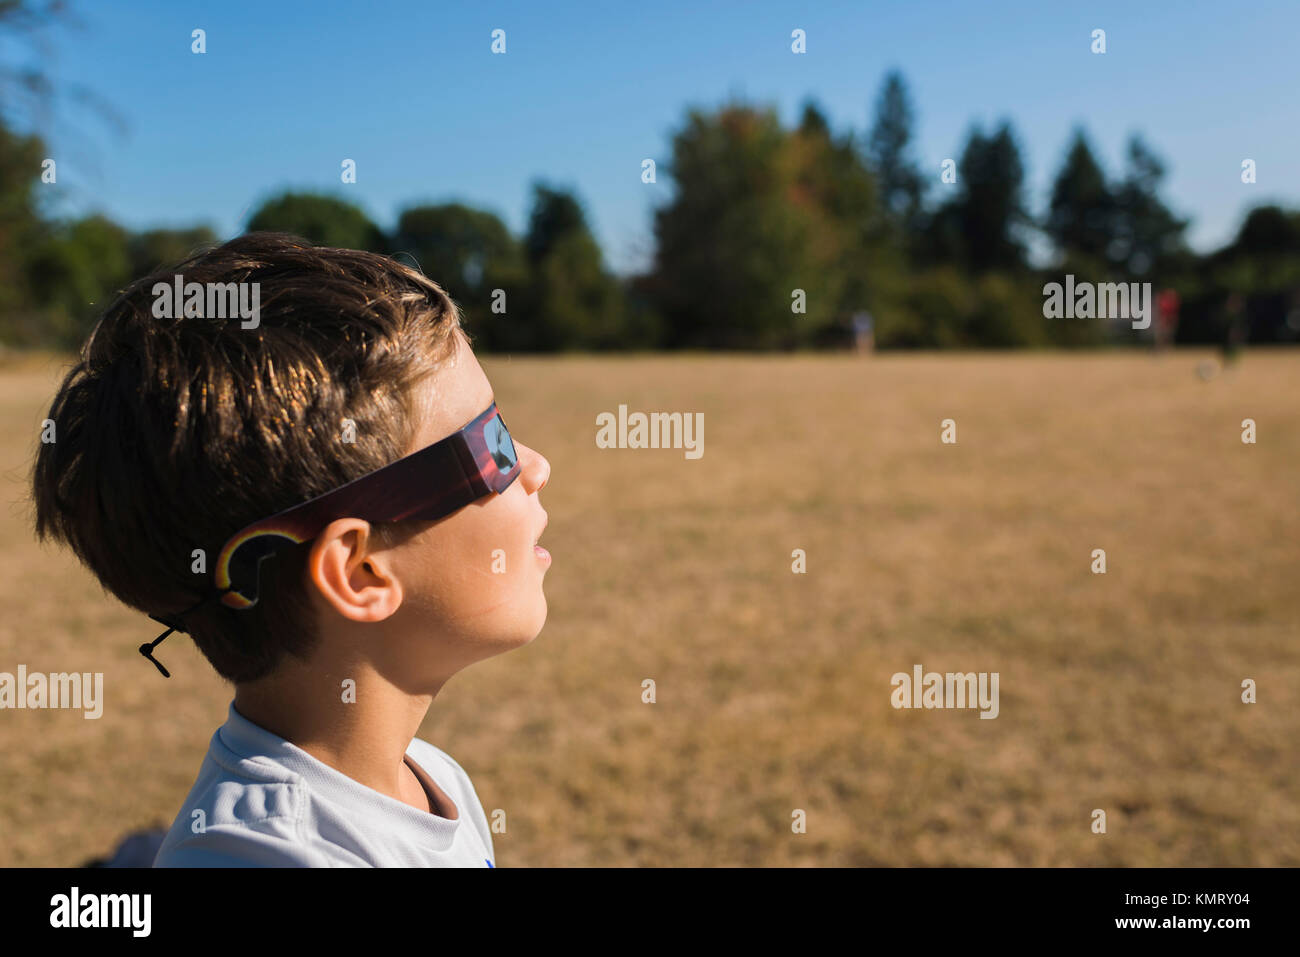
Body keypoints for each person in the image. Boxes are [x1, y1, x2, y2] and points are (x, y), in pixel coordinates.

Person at [30, 233, 553, 866]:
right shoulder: (257, 856)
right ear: (358, 570)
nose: (534, 465)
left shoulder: (431, 777)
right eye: (489, 445)